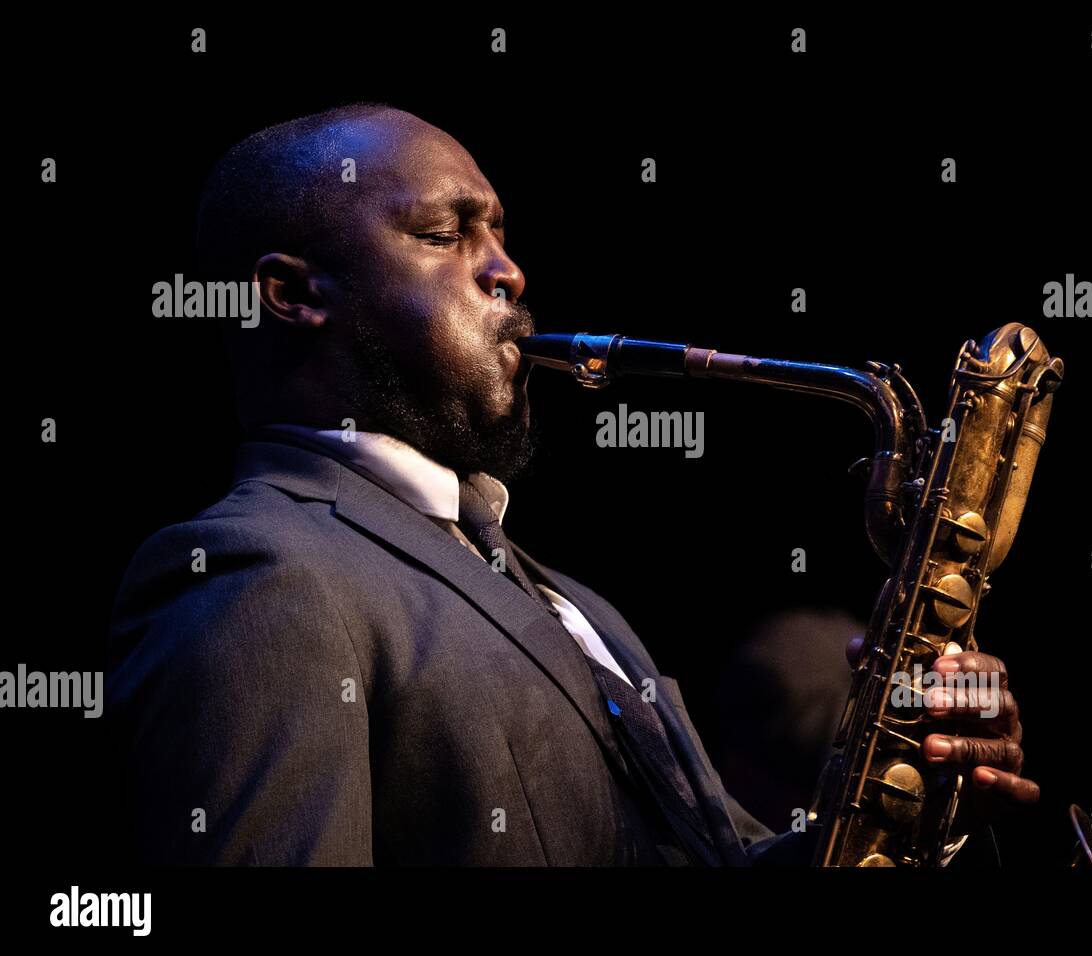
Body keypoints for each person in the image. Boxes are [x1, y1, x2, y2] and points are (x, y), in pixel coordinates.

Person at [106, 103, 1039, 865]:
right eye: (446, 234)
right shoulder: (257, 578)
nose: (508, 270)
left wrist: (924, 794)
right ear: (294, 294)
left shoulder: (570, 603)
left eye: (500, 236)